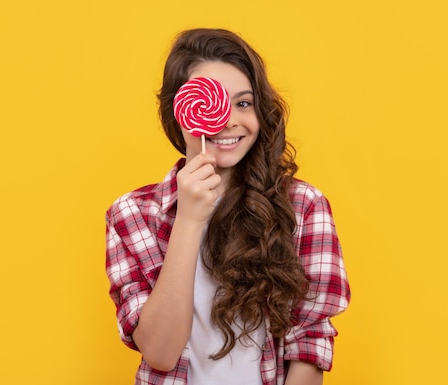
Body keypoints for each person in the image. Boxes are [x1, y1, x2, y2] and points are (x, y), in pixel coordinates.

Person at [105, 28, 350, 385]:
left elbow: (309, 344)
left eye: (244, 103)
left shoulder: (302, 207)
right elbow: (159, 352)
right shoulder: (132, 214)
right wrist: (188, 221)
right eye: (211, 102)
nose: (229, 119)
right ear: (179, 111)